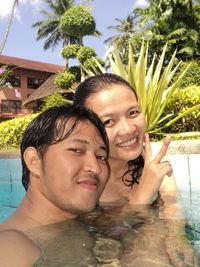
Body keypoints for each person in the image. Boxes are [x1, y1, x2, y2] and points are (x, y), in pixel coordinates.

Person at [73, 73, 199, 266]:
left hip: (149, 228)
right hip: (102, 239)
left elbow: (172, 203)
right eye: (108, 121)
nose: (128, 129)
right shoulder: (82, 173)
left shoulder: (154, 155)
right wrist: (143, 196)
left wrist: (176, 236)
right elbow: (93, 223)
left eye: (133, 113)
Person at [0, 104, 110, 266]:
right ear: (34, 161)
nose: (94, 168)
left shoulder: (77, 226)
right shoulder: (9, 248)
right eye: (76, 150)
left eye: (101, 156)